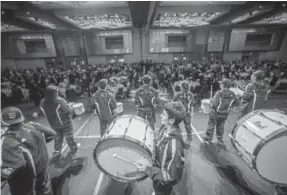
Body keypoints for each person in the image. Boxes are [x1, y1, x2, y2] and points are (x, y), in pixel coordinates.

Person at [1, 107, 56, 195]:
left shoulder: (7, 140)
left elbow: (15, 165)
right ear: (21, 118)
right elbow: (52, 134)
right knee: (45, 188)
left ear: (3, 122)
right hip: (42, 166)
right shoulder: (33, 125)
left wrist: (2, 176)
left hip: (27, 178)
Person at [136, 102, 186, 195]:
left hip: (163, 182)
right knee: (156, 187)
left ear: (171, 120)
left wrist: (148, 170)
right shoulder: (164, 128)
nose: (160, 116)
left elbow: (170, 177)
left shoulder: (174, 145)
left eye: (164, 115)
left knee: (161, 191)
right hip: (157, 172)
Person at [40, 86, 79, 161]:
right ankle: (73, 149)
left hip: (53, 123)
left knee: (58, 136)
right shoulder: (59, 100)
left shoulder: (42, 102)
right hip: (64, 122)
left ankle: (57, 151)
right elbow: (68, 110)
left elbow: (43, 111)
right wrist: (70, 106)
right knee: (69, 136)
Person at [203, 78, 238, 144]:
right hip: (225, 114)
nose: (220, 85)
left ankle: (208, 138)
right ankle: (220, 139)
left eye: (221, 84)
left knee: (211, 125)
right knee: (221, 126)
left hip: (215, 113)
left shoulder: (219, 93)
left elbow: (214, 105)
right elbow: (236, 104)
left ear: (224, 85)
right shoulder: (232, 94)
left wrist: (210, 101)